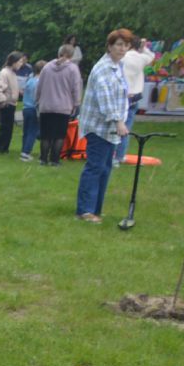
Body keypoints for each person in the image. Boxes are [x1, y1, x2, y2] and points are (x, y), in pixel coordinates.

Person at [75, 29, 133, 223]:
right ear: (109, 46)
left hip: (110, 130)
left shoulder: (118, 66)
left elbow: (118, 93)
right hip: (98, 127)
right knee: (95, 167)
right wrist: (118, 120)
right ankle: (85, 210)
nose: (122, 49)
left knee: (105, 168)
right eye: (118, 45)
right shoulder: (103, 68)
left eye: (125, 45)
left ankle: (96, 209)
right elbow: (105, 99)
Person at [37, 44, 83, 166]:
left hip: (46, 106)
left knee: (46, 135)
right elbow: (76, 88)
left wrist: (38, 99)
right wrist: (76, 103)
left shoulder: (46, 67)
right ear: (72, 55)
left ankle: (43, 159)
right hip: (63, 107)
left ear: (59, 53)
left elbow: (39, 86)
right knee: (59, 135)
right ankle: (55, 160)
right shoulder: (73, 69)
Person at [116, 35, 156, 167]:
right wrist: (144, 48)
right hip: (135, 96)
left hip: (121, 95)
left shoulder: (122, 58)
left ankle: (112, 155)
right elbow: (152, 56)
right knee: (126, 128)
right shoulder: (141, 58)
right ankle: (120, 155)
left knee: (115, 126)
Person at [0, 52, 26, 154]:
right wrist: (3, 100)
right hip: (6, 105)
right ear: (13, 62)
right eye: (19, 62)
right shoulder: (4, 73)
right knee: (5, 128)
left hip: (11, 104)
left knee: (9, 128)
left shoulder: (12, 73)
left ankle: (4, 148)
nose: (21, 64)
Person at [19, 59, 45, 162]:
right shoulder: (39, 82)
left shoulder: (30, 80)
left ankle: (23, 149)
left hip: (26, 108)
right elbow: (37, 98)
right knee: (33, 131)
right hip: (33, 109)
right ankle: (26, 152)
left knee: (26, 130)